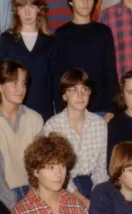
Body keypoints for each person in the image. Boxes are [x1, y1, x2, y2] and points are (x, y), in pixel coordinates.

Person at [11, 134, 95, 214]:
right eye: (51, 167)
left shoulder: (77, 207)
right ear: (35, 171)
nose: (59, 174)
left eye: (62, 166)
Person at [0, 60, 44, 208]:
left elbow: (41, 164)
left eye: (23, 83)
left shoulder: (35, 119)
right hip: (4, 195)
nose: (21, 89)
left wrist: (37, 198)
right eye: (14, 83)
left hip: (33, 191)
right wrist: (13, 204)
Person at [54, 0, 118, 119]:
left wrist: (111, 109)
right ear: (70, 1)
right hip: (71, 109)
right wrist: (61, 110)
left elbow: (111, 73)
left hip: (100, 109)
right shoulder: (61, 34)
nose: (85, 2)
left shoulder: (104, 32)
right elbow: (58, 76)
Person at [43, 69, 109, 206]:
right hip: (64, 184)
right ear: (64, 96)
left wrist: (97, 199)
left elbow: (100, 171)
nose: (80, 95)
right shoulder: (53, 126)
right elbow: (57, 174)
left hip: (93, 184)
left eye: (84, 89)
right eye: (73, 90)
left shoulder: (99, 124)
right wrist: (83, 200)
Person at [0, 0, 57, 121]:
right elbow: (1, 79)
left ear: (38, 9)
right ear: (16, 10)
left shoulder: (50, 42)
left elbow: (55, 81)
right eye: (22, 7)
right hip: (13, 111)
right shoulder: (6, 40)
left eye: (32, 6)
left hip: (43, 112)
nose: (27, 12)